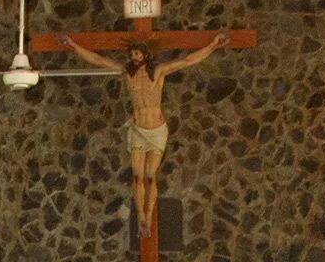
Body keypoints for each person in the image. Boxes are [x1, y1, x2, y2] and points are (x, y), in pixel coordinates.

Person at [61, 32, 231, 238]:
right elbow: (99, 60)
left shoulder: (158, 71)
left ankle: (149, 217)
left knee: (150, 177)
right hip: (138, 130)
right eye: (132, 53)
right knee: (136, 176)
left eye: (137, 53)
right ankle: (141, 218)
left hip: (156, 130)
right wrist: (73, 45)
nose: (134, 57)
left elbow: (187, 60)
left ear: (145, 54)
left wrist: (213, 45)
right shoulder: (127, 72)